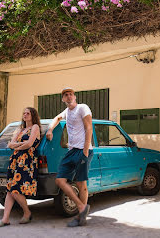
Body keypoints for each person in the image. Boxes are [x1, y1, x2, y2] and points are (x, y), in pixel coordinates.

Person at [46, 87, 93, 227]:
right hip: (71, 151)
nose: (68, 96)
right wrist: (50, 130)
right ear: (63, 99)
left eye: (70, 94)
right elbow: (57, 118)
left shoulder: (82, 108)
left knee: (81, 183)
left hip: (83, 150)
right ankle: (82, 207)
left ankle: (80, 218)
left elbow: (89, 127)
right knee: (60, 180)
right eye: (65, 95)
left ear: (75, 97)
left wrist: (85, 151)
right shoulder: (67, 111)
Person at [0, 107, 41, 228]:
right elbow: (10, 144)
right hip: (15, 161)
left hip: (26, 161)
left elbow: (30, 144)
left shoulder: (35, 127)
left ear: (33, 115)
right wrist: (20, 145)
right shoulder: (20, 129)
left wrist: (17, 146)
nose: (25, 115)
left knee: (15, 189)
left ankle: (27, 212)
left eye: (28, 113)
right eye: (24, 113)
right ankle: (5, 219)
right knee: (10, 189)